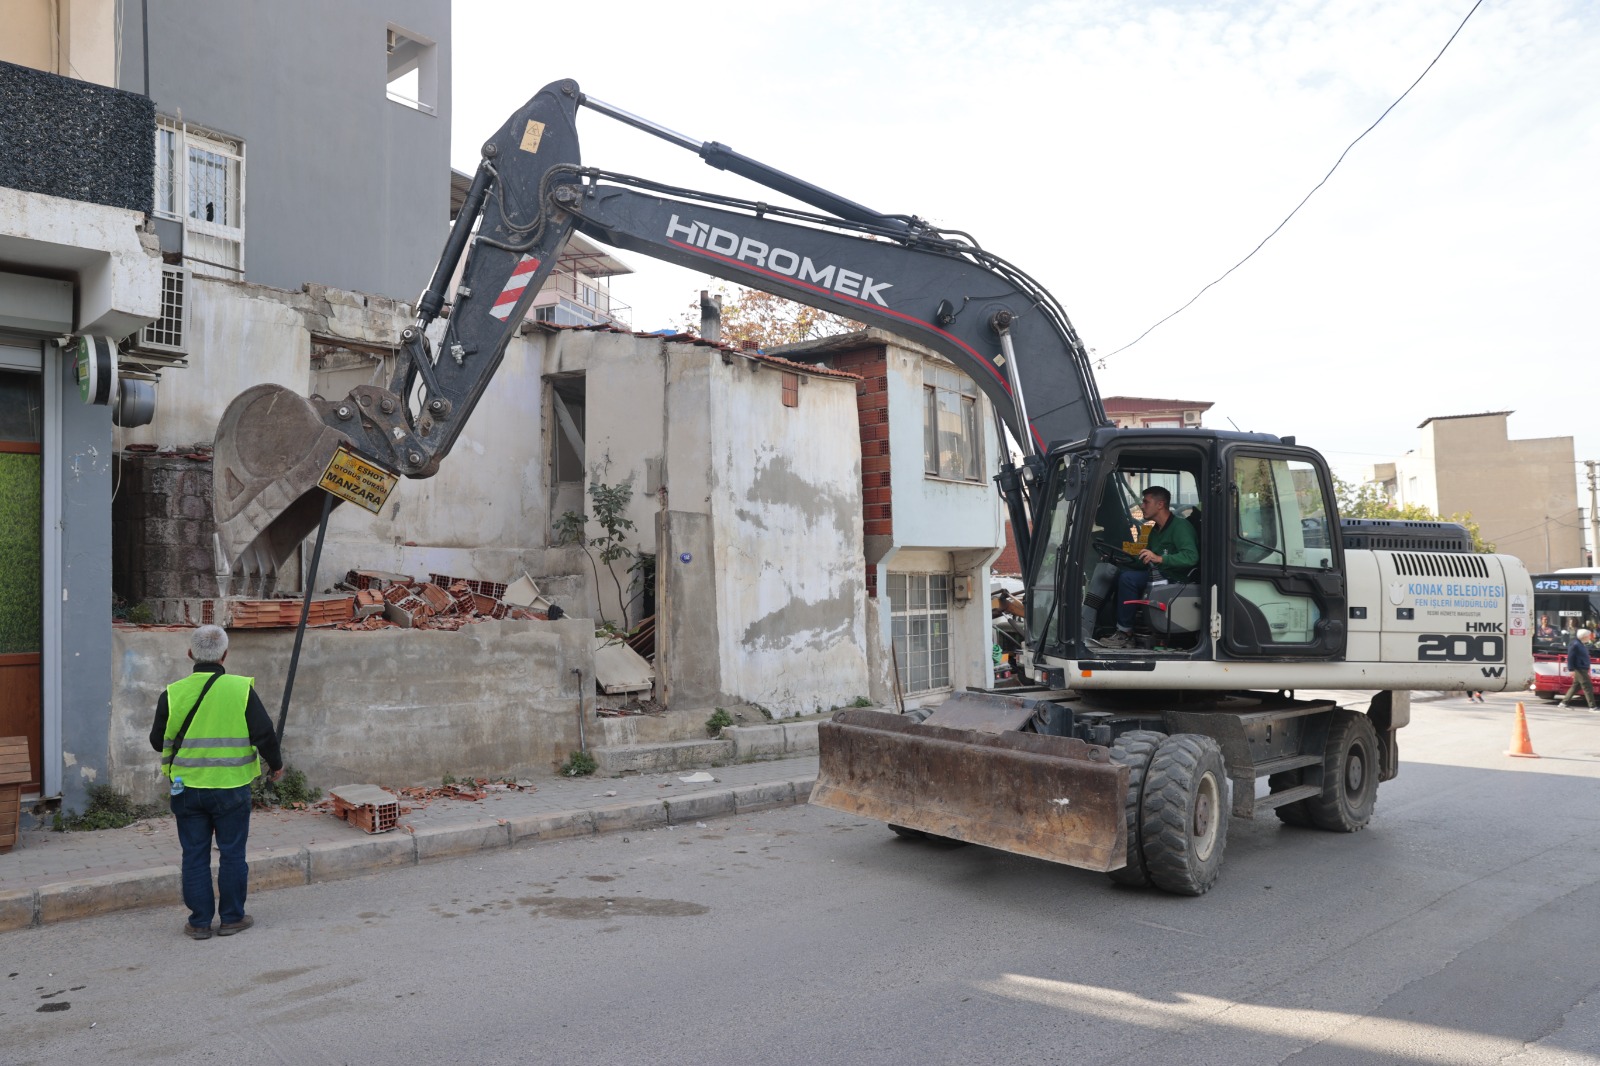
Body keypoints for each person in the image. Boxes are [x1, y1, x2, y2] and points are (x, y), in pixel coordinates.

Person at [149, 625, 283, 939]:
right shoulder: (240, 689)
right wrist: (276, 765)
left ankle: (199, 923)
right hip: (232, 787)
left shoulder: (172, 693)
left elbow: (158, 741)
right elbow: (264, 734)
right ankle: (232, 918)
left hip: (187, 789)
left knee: (193, 854)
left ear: (190, 654)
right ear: (225, 655)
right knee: (233, 853)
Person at [1096, 486, 1199, 649]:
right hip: (1157, 574)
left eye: (1146, 502)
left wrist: (1159, 558)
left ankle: (1125, 634)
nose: (1142, 506)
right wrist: (1120, 559)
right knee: (1116, 576)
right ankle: (1104, 626)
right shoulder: (1153, 531)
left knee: (1128, 579)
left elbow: (1191, 557)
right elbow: (1142, 559)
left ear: (1160, 504)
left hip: (1175, 580)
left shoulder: (1180, 527)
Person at [1560, 628, 1598, 710]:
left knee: (1576, 686)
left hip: (1582, 667)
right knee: (1587, 686)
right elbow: (1570, 657)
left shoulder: (1580, 644)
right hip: (1579, 668)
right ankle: (1592, 706)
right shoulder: (1575, 644)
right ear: (1584, 636)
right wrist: (1571, 669)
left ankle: (1564, 703)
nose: (1589, 637)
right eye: (1588, 636)